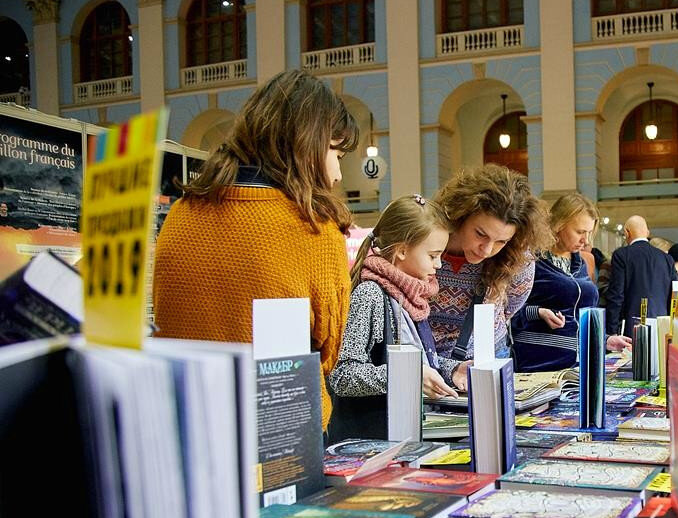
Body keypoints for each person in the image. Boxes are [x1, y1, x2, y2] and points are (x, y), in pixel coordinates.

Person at [152, 70, 357, 431]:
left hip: (185, 425)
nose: (338, 173)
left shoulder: (180, 213)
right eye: (335, 151)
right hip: (283, 434)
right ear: (306, 142)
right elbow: (328, 353)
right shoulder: (314, 228)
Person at [329, 194, 469, 441]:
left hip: (405, 435)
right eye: (433, 255)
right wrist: (407, 375)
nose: (438, 265)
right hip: (374, 443)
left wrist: (453, 369)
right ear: (403, 250)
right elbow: (343, 376)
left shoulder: (412, 295)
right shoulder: (369, 294)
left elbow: (421, 360)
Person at [429, 164, 551, 361]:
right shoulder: (426, 240)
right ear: (461, 215)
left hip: (489, 356)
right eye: (480, 234)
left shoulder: (519, 257)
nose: (486, 250)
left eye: (501, 241)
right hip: (427, 359)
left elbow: (511, 307)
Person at [511, 193, 631, 371]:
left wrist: (605, 339)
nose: (586, 240)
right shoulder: (530, 260)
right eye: (580, 232)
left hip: (578, 368)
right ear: (559, 224)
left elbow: (580, 316)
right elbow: (506, 314)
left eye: (589, 233)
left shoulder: (580, 263)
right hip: (539, 366)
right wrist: (538, 312)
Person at [605, 215, 678, 335]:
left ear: (627, 233)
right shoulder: (667, 259)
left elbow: (616, 295)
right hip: (662, 328)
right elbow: (674, 296)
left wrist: (611, 332)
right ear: (647, 232)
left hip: (632, 327)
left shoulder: (621, 255)